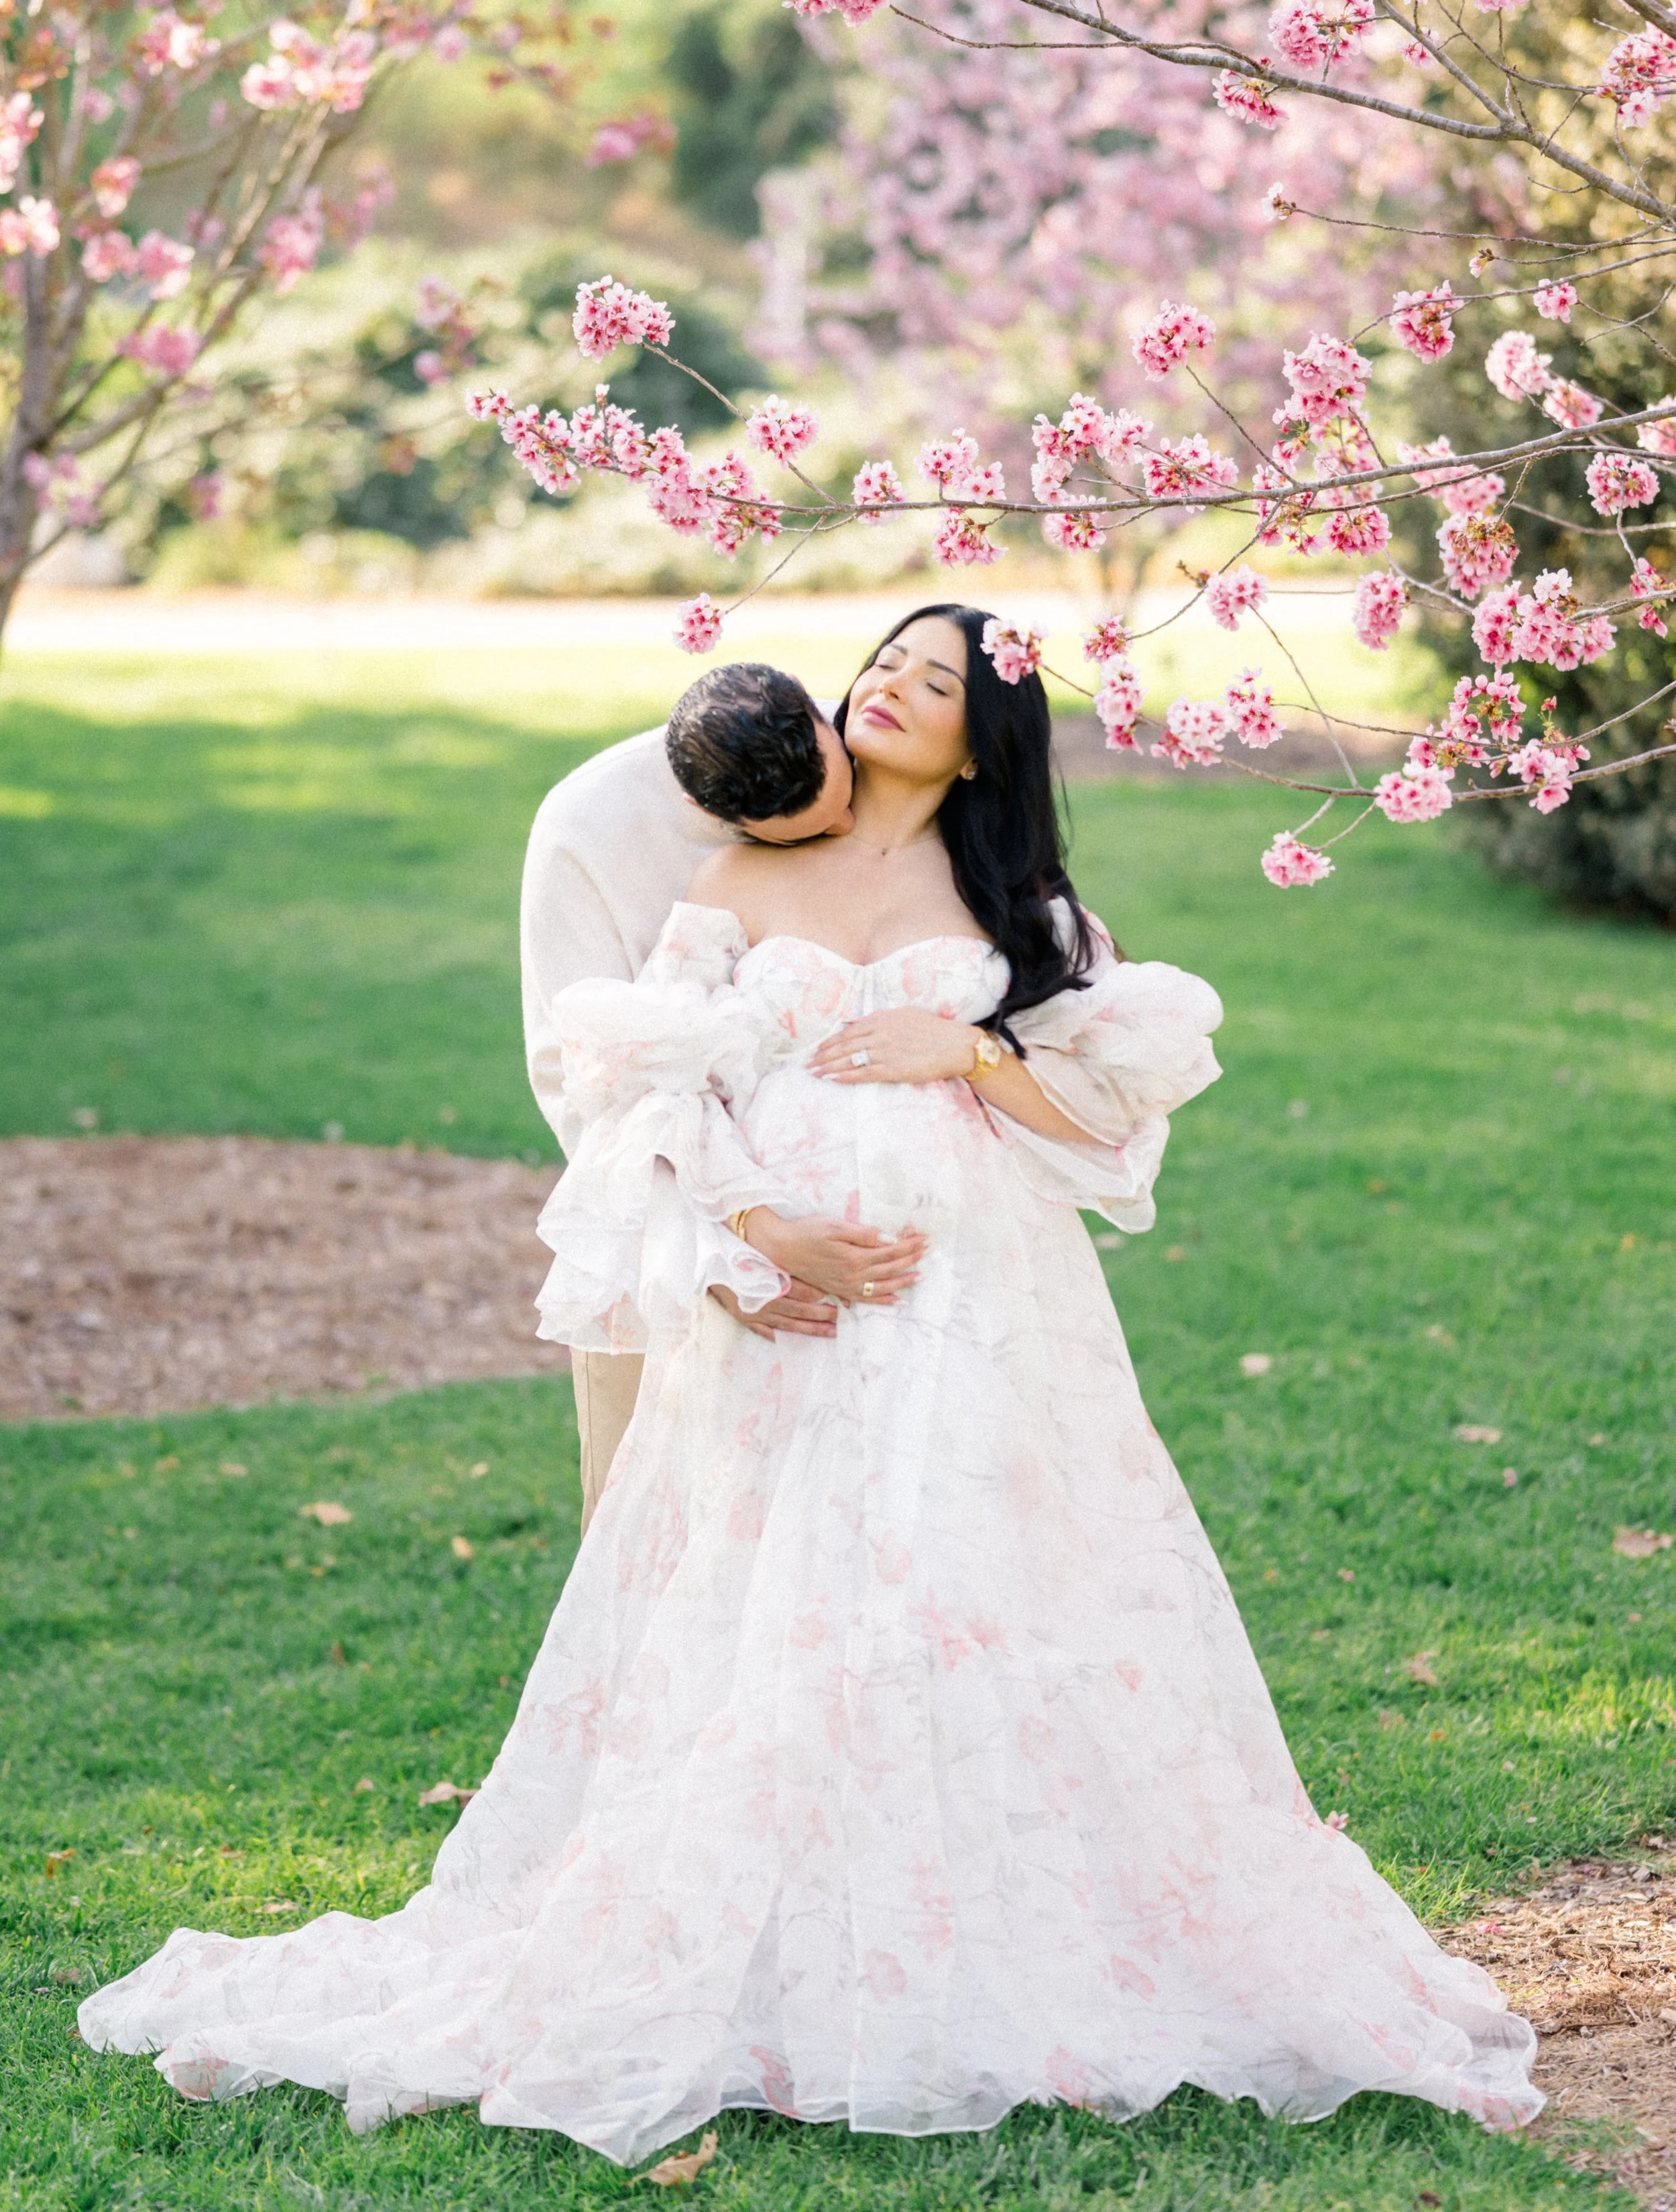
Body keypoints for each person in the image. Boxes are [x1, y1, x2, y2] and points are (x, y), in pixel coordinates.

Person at [80, 603, 1543, 2163]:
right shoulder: (739, 870)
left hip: (971, 1301)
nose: (890, 693)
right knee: (766, 1606)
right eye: (883, 667)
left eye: (934, 680)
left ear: (987, 729)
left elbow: (1110, 1129)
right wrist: (755, 1238)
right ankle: (771, 1941)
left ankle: (975, 1931)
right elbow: (636, 1083)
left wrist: (967, 1054)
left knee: (956, 1589)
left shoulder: (1016, 901)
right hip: (779, 1306)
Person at [520, 660, 860, 1528]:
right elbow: (577, 1074)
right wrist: (715, 1250)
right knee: (652, 1536)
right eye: (818, 833)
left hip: (845, 1225)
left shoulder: (863, 740)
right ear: (725, 823)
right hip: (663, 1227)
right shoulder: (586, 828)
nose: (856, 827)